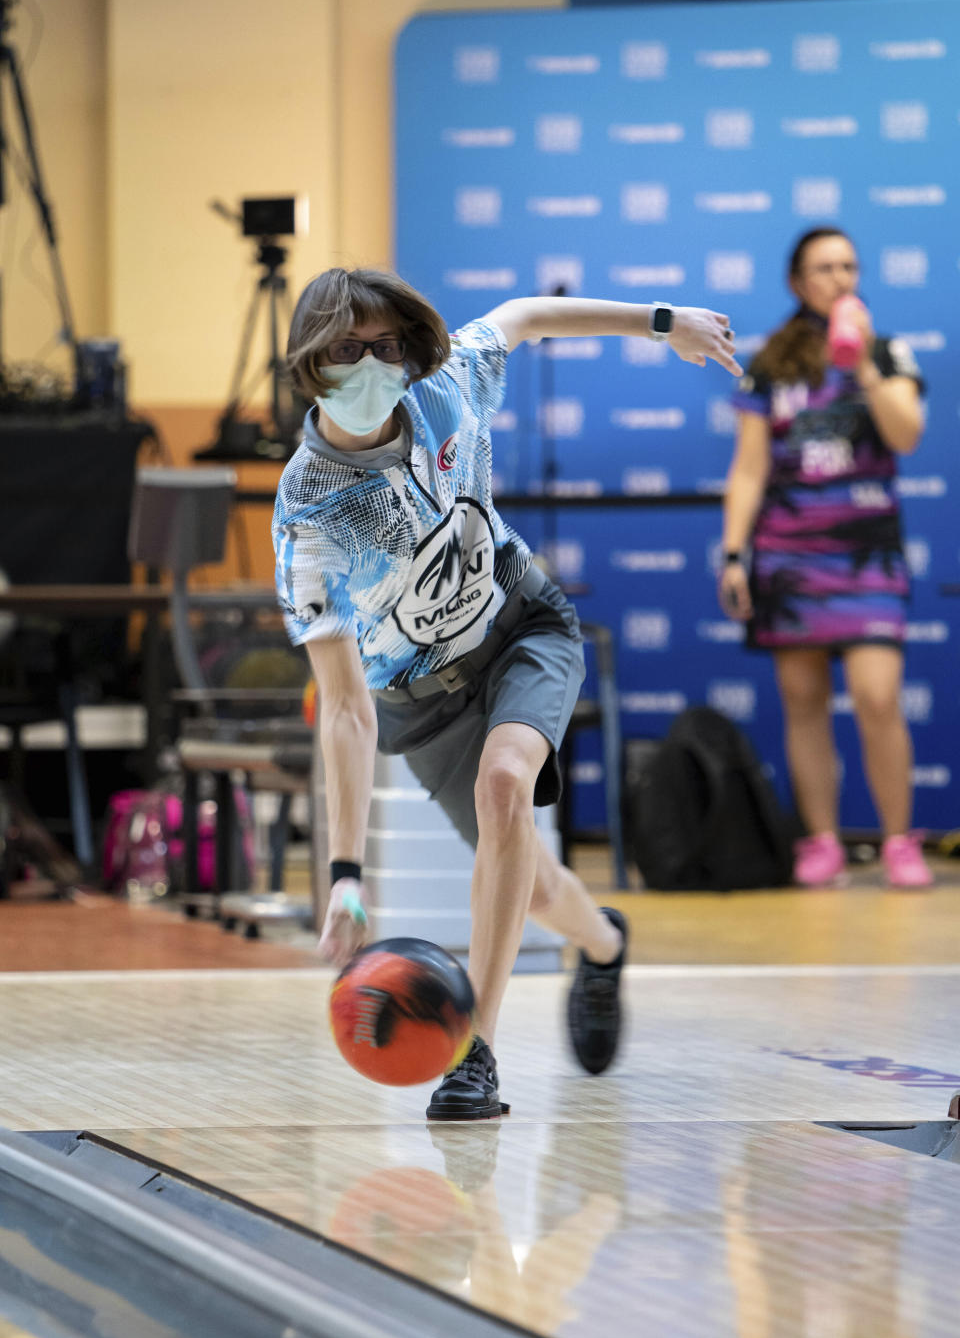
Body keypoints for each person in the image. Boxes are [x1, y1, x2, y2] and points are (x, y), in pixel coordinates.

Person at [274, 267, 741, 1119]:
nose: (373, 365)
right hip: (423, 700)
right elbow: (343, 706)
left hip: (524, 626)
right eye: (349, 349)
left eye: (387, 347)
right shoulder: (309, 513)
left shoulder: (447, 392)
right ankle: (602, 944)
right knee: (531, 881)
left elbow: (522, 317)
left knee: (505, 790)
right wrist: (343, 869)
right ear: (313, 364)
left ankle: (473, 1053)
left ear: (410, 352)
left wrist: (660, 320)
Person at [719, 227, 932, 889]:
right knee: (803, 700)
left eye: (849, 266)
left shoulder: (891, 351)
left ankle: (899, 841)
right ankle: (822, 842)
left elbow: (907, 436)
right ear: (796, 282)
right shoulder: (771, 364)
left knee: (876, 696)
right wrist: (734, 554)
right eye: (824, 268)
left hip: (867, 559)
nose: (840, 278)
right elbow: (750, 469)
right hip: (790, 557)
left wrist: (864, 359)